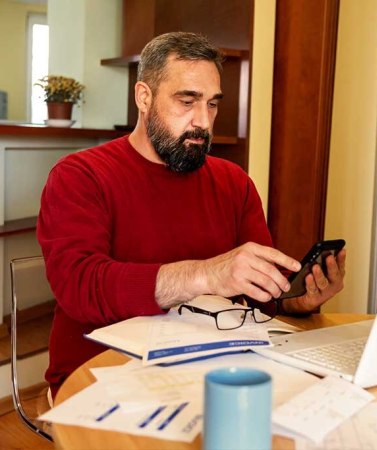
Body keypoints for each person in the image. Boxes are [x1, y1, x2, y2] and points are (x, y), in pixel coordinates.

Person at [37, 32, 346, 398]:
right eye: (187, 101)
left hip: (209, 366)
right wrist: (206, 274)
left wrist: (297, 300)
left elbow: (261, 298)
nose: (203, 121)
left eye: (212, 104)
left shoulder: (234, 182)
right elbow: (79, 287)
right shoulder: (80, 175)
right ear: (144, 97)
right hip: (101, 372)